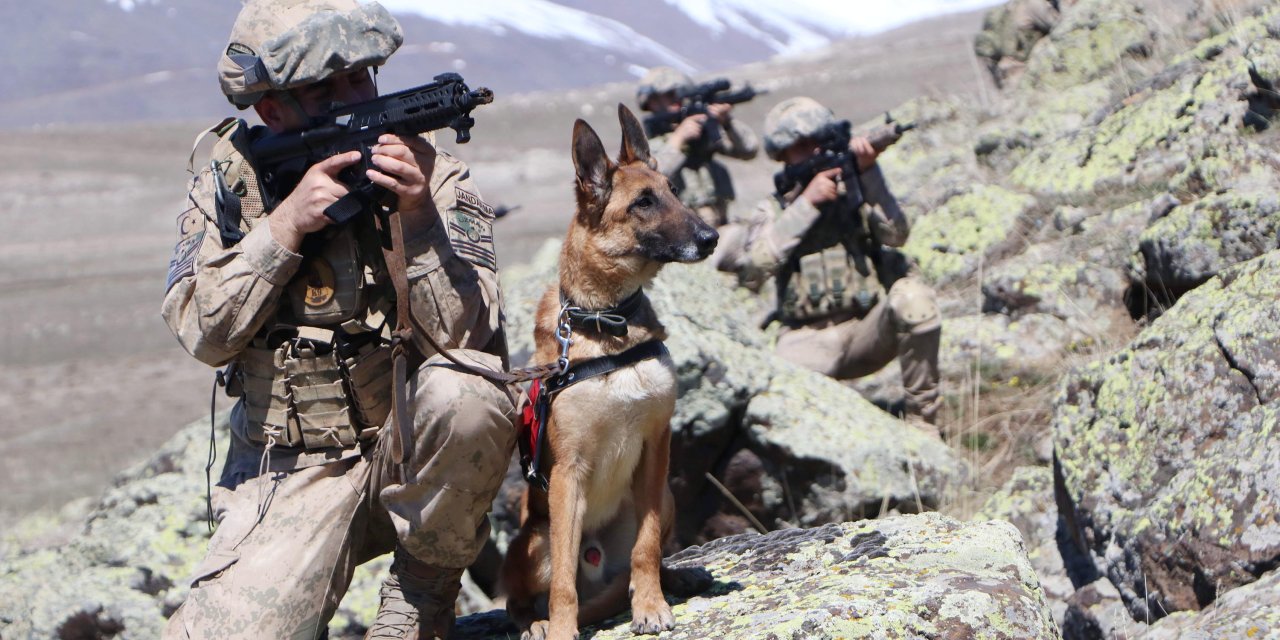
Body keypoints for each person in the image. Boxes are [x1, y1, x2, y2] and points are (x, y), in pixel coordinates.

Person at [160, 1, 514, 638]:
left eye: (362, 77)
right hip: (289, 470)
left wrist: (418, 217)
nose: (355, 98)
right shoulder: (228, 181)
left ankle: (420, 604)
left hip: (408, 447)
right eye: (326, 89)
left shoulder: (423, 164)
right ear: (273, 110)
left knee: (470, 391)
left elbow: (470, 340)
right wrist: (285, 227)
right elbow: (203, 335)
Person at [715, 97, 943, 429]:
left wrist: (870, 175)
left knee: (915, 299)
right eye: (801, 146)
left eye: (819, 142)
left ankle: (923, 425)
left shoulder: (857, 188)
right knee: (775, 417)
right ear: (783, 155)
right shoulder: (774, 209)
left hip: (863, 333)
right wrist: (807, 204)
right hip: (803, 342)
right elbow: (753, 271)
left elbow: (897, 235)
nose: (813, 151)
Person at [636, 66, 760, 228]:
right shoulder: (647, 146)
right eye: (670, 95)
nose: (678, 99)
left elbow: (748, 151)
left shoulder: (701, 133)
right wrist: (678, 140)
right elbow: (649, 178)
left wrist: (727, 123)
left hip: (719, 224)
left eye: (681, 93)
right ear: (651, 102)